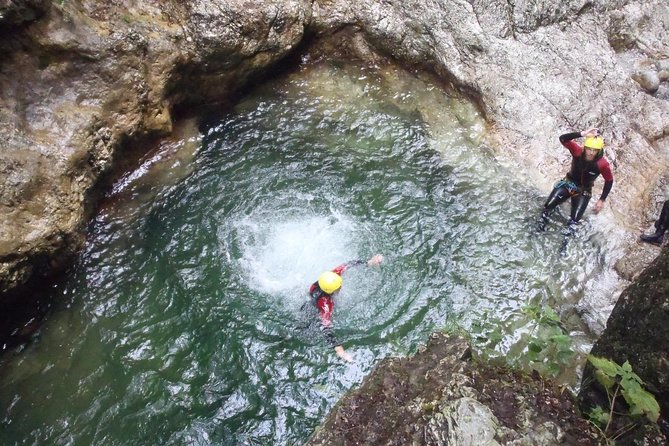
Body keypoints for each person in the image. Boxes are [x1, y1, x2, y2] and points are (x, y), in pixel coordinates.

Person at [308, 254, 383, 362]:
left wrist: (369, 262)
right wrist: (339, 350)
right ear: (333, 291)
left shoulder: (328, 278)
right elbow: (325, 328)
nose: (341, 287)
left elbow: (349, 264)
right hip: (313, 309)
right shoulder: (326, 304)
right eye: (339, 287)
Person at [539, 128, 614, 231]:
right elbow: (563, 139)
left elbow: (609, 180)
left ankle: (564, 245)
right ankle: (540, 228)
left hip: (584, 190)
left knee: (574, 221)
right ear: (585, 148)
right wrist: (582, 134)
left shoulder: (602, 164)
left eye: (595, 150)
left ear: (599, 150)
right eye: (589, 149)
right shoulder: (577, 151)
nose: (591, 153)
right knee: (547, 206)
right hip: (568, 183)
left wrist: (602, 200)